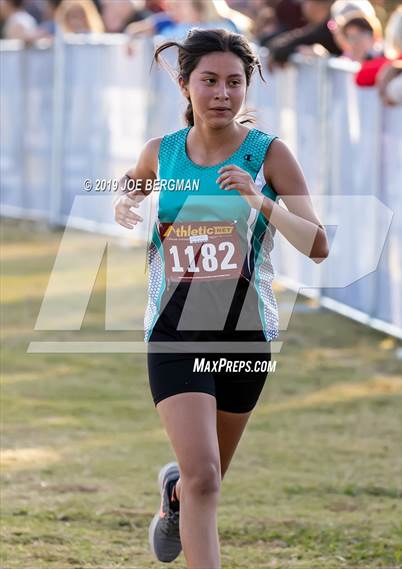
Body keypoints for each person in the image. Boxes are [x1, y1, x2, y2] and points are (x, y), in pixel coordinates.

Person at [113, 27, 329, 567]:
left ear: (247, 88)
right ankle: (185, 492)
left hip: (245, 334)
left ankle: (174, 498)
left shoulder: (269, 153)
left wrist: (260, 200)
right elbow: (135, 179)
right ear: (185, 85)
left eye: (235, 82)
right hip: (174, 329)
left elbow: (318, 244)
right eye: (209, 81)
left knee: (204, 481)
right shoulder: (162, 152)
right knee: (205, 476)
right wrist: (125, 200)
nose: (222, 94)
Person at [267, 0, 342, 68]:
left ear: (319, 6)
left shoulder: (328, 30)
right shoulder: (319, 28)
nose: (303, 6)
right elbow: (275, 45)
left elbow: (279, 49)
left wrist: (295, 49)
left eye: (306, 2)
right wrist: (299, 49)